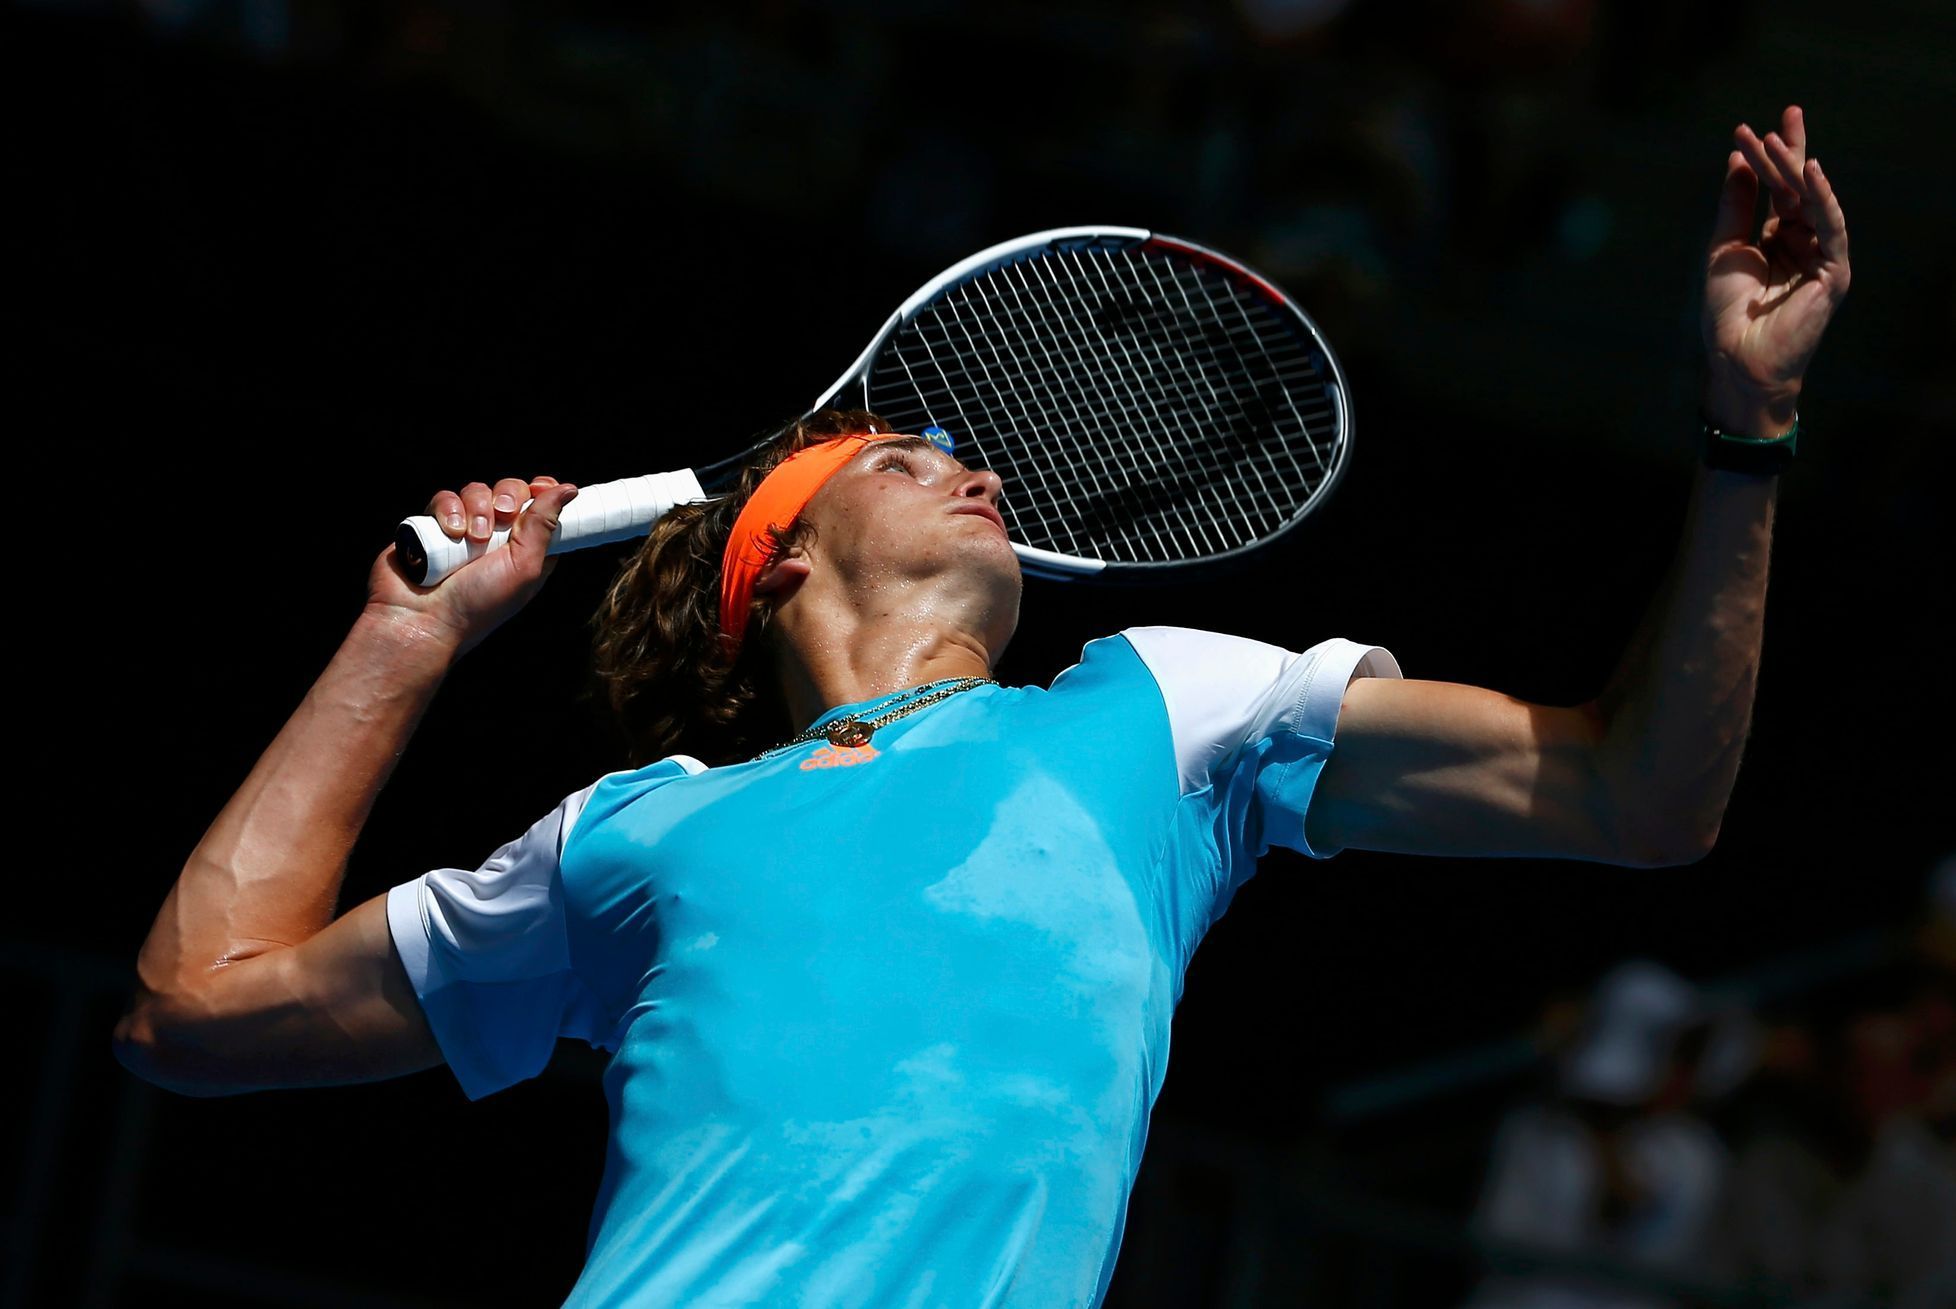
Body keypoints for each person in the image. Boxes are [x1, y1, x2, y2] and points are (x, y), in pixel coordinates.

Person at [111, 106, 1850, 1305]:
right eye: (912, 451)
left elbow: (1642, 798)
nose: (986, 471)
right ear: (777, 563)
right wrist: (398, 651)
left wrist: (1745, 433)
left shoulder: (1168, 709)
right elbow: (192, 1011)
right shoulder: (629, 830)